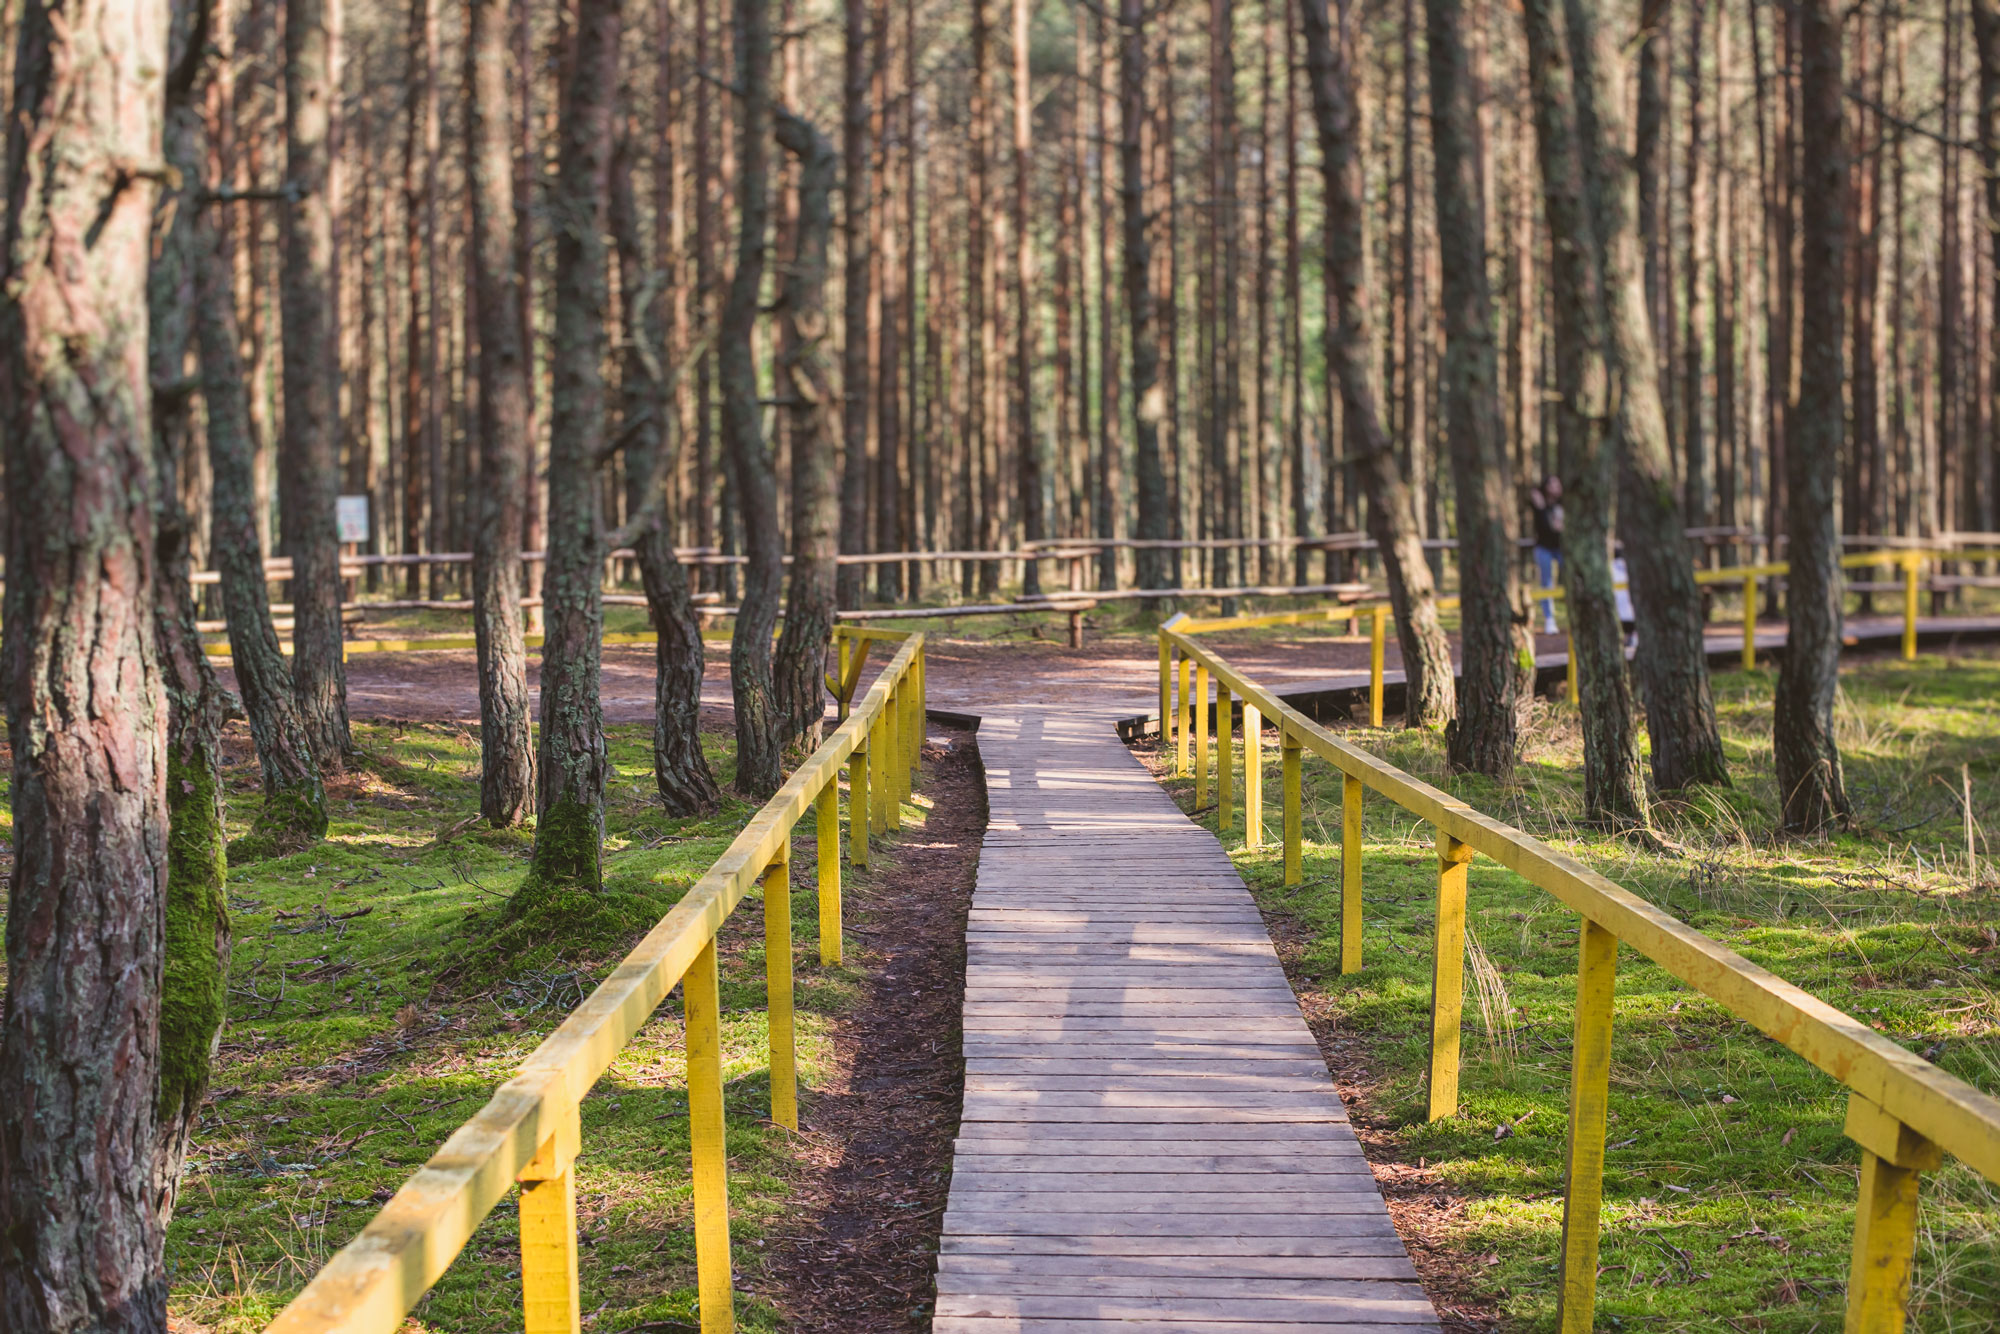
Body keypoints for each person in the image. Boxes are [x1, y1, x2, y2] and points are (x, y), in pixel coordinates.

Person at [1529, 476, 1563, 634]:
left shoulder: (1563, 504)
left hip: (1561, 548)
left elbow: (1557, 528)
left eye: (1558, 484)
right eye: (1552, 484)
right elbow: (1546, 526)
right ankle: (1549, 619)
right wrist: (1542, 508)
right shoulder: (1539, 505)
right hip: (1544, 548)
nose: (1556, 487)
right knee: (1546, 582)